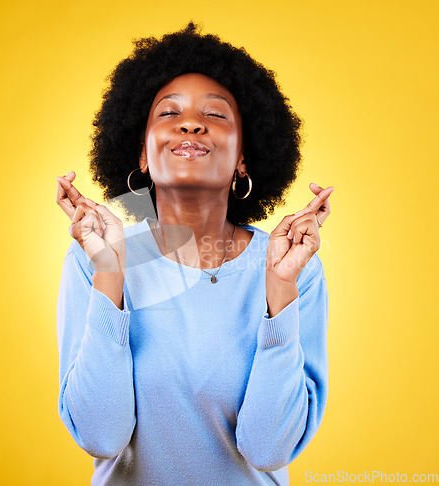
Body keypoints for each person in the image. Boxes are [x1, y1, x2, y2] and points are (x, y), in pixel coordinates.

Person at [55, 22, 334, 486]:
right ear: (141, 154)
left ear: (244, 156)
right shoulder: (98, 257)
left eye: (216, 115)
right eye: (168, 113)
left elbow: (268, 449)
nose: (190, 123)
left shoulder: (292, 267)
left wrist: (279, 290)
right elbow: (101, 436)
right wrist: (109, 273)